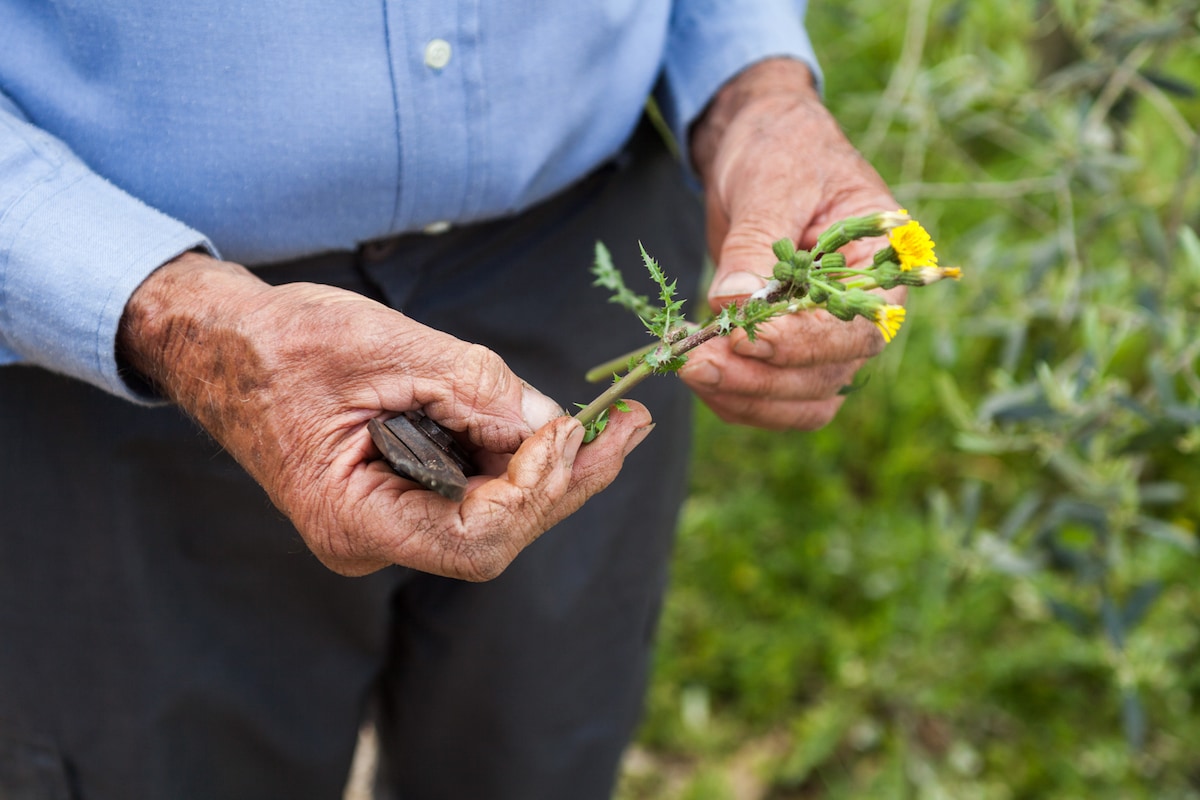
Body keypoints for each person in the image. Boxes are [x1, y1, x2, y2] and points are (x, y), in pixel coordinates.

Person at [0, 2, 901, 797]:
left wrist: (756, 90)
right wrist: (178, 322)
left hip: (581, 244)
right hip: (116, 321)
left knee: (541, 750)